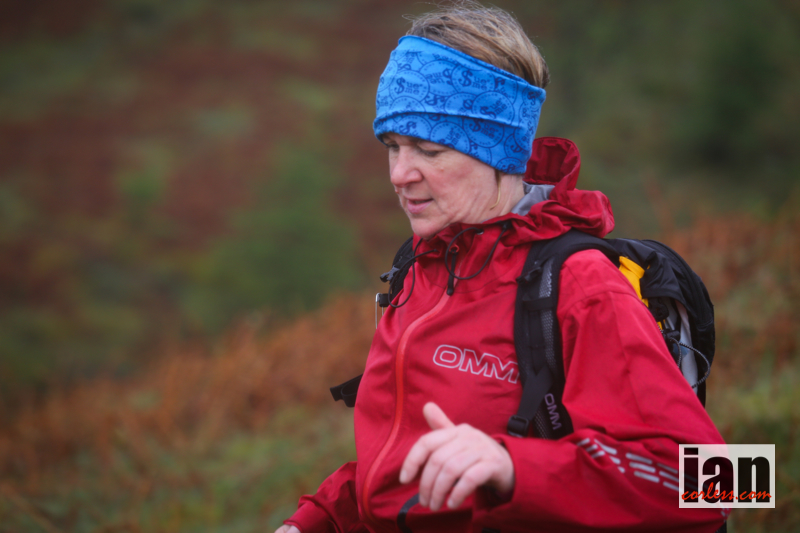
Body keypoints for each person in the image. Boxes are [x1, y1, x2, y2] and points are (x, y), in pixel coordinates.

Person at [276, 3, 727, 532]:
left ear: (500, 150)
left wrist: (514, 468)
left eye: (428, 149)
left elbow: (726, 483)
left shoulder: (582, 285)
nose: (399, 173)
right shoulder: (418, 270)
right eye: (393, 146)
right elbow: (404, 468)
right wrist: (317, 521)